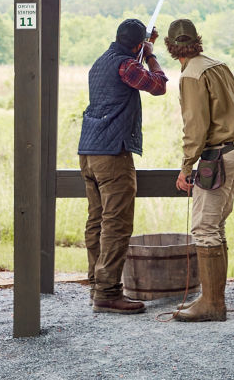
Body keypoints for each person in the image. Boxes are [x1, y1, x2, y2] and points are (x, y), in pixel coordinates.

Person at [78, 18, 167, 314]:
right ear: (139, 45)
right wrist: (151, 54)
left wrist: (143, 47)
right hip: (112, 154)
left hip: (88, 151)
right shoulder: (128, 65)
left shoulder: (102, 61)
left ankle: (96, 283)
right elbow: (157, 86)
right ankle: (108, 292)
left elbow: (129, 68)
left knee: (97, 220)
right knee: (116, 224)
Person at [165, 18, 234, 323]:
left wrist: (186, 167)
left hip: (219, 156)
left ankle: (213, 304)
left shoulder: (191, 74)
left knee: (204, 228)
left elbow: (195, 127)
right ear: (197, 41)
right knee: (216, 226)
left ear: (172, 48)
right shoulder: (218, 64)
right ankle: (212, 299)